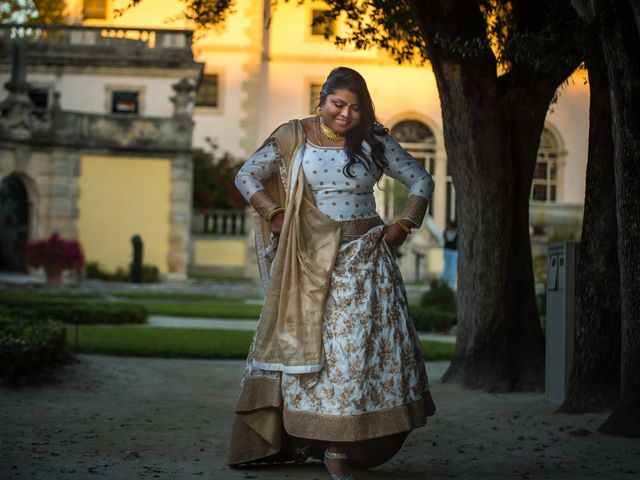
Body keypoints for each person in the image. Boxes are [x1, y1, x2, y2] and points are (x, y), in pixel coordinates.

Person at [227, 66, 436, 479]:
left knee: (353, 355)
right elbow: (246, 174)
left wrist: (402, 225)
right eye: (337, 103)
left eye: (355, 108)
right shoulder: (293, 135)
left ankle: (340, 446)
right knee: (310, 353)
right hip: (307, 261)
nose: (345, 114)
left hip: (365, 262)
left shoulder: (375, 142)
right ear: (321, 100)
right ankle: (307, 440)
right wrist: (274, 214)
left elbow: (421, 180)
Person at [442, 220, 458, 289]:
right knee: (452, 269)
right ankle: (451, 284)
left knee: (446, 268)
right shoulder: (457, 233)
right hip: (454, 252)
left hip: (446, 251)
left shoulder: (445, 232)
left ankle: (444, 283)